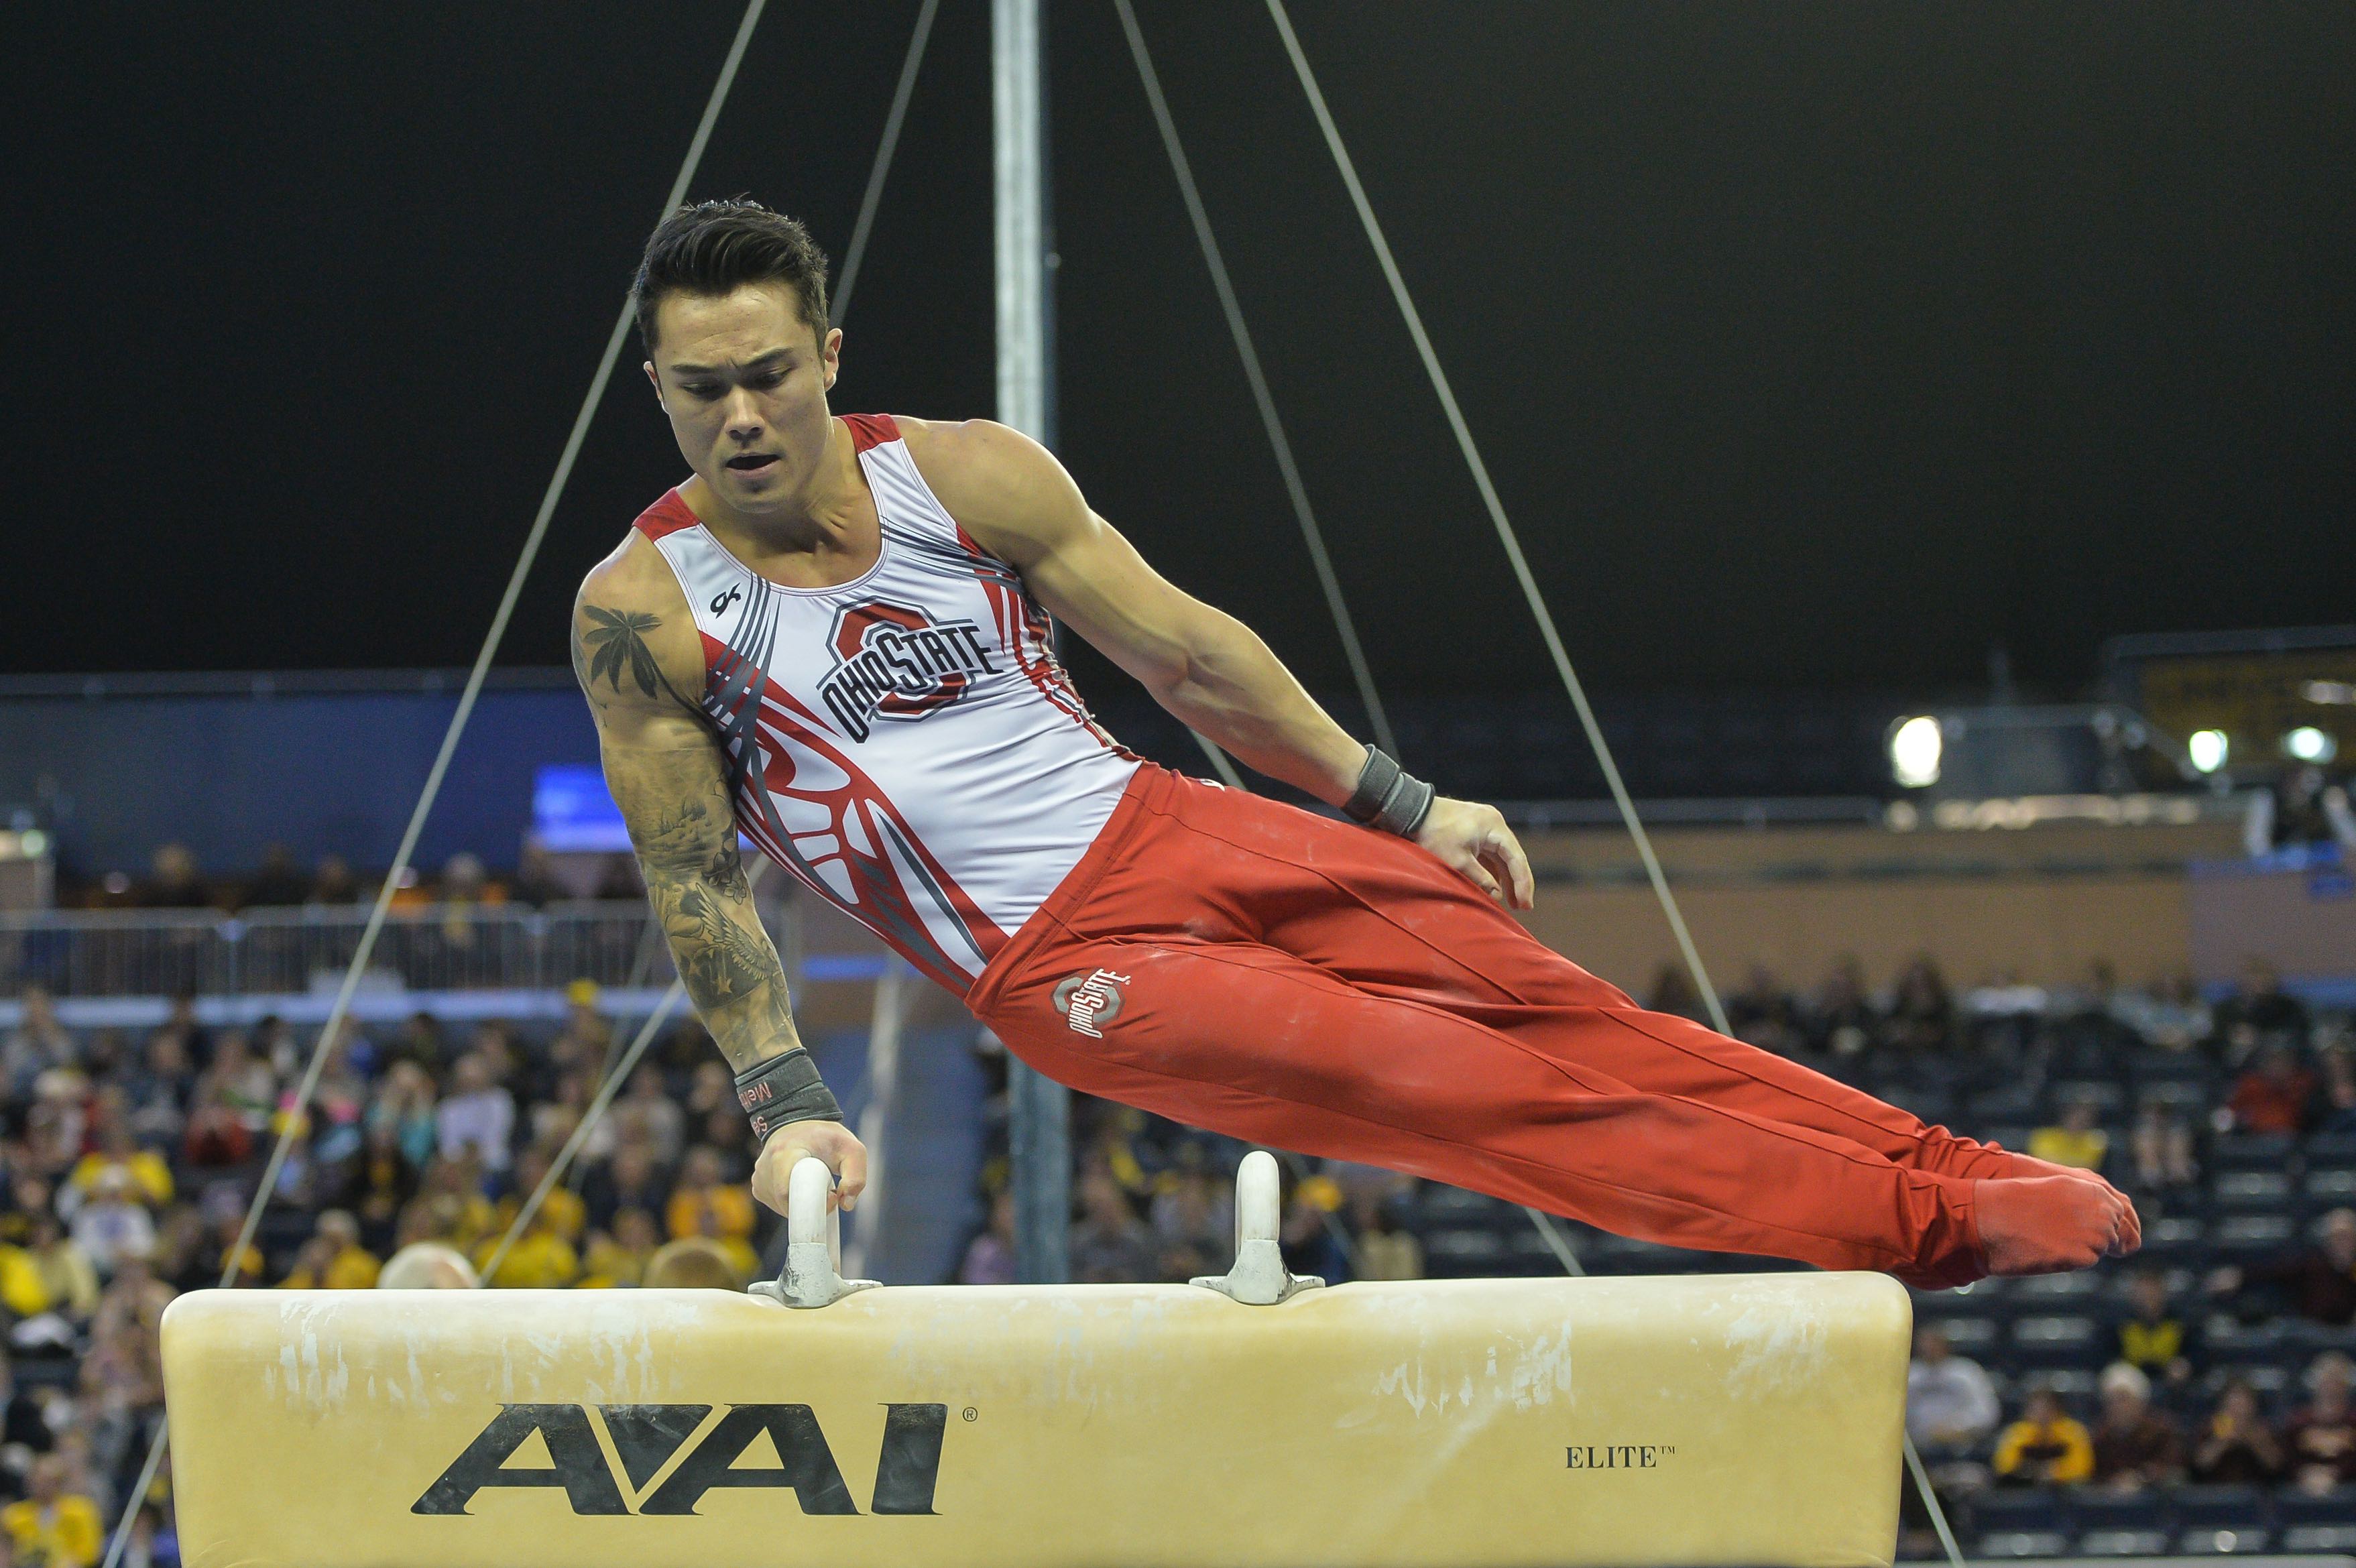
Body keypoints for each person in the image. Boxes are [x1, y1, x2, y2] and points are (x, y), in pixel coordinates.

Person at [571, 198, 2136, 1287]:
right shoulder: (647, 609)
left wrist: (1403, 802)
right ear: (657, 388)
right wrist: (788, 1104)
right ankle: (1924, 1234)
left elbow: (1189, 654)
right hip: (1059, 964)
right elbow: (694, 878)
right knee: (1457, 1082)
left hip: (1174, 822)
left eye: (770, 373)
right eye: (700, 390)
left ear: (829, 355)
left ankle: (1958, 1171)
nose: (743, 417)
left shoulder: (965, 476)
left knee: (1555, 1005)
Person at [2088, 1362, 2184, 1490]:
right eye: (2111, 1400)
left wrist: (2141, 1477)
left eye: (2123, 1399)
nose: (2117, 1406)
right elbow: (2093, 1475)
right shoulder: (2099, 1436)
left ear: (2141, 1401)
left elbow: (2173, 1470)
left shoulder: (2161, 1432)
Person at [1991, 1384, 2095, 1486]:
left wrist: (2054, 1472)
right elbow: (2004, 1468)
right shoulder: (2017, 1434)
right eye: (2035, 1409)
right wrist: (2032, 1471)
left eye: (2046, 1409)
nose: (2041, 1415)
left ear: (2057, 1410)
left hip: (2065, 1493)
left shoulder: (2072, 1432)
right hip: (2025, 1490)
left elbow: (2082, 1469)